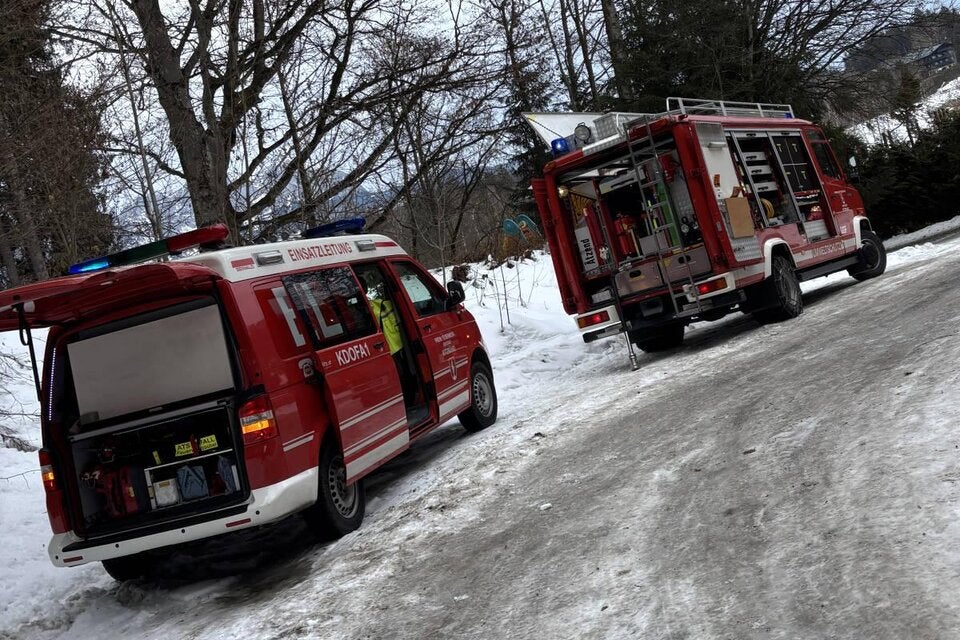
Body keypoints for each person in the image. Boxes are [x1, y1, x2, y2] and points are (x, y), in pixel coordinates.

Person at [360, 274, 417, 406]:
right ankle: (408, 402)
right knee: (402, 378)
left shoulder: (353, 310)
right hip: (393, 349)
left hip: (373, 354)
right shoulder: (382, 305)